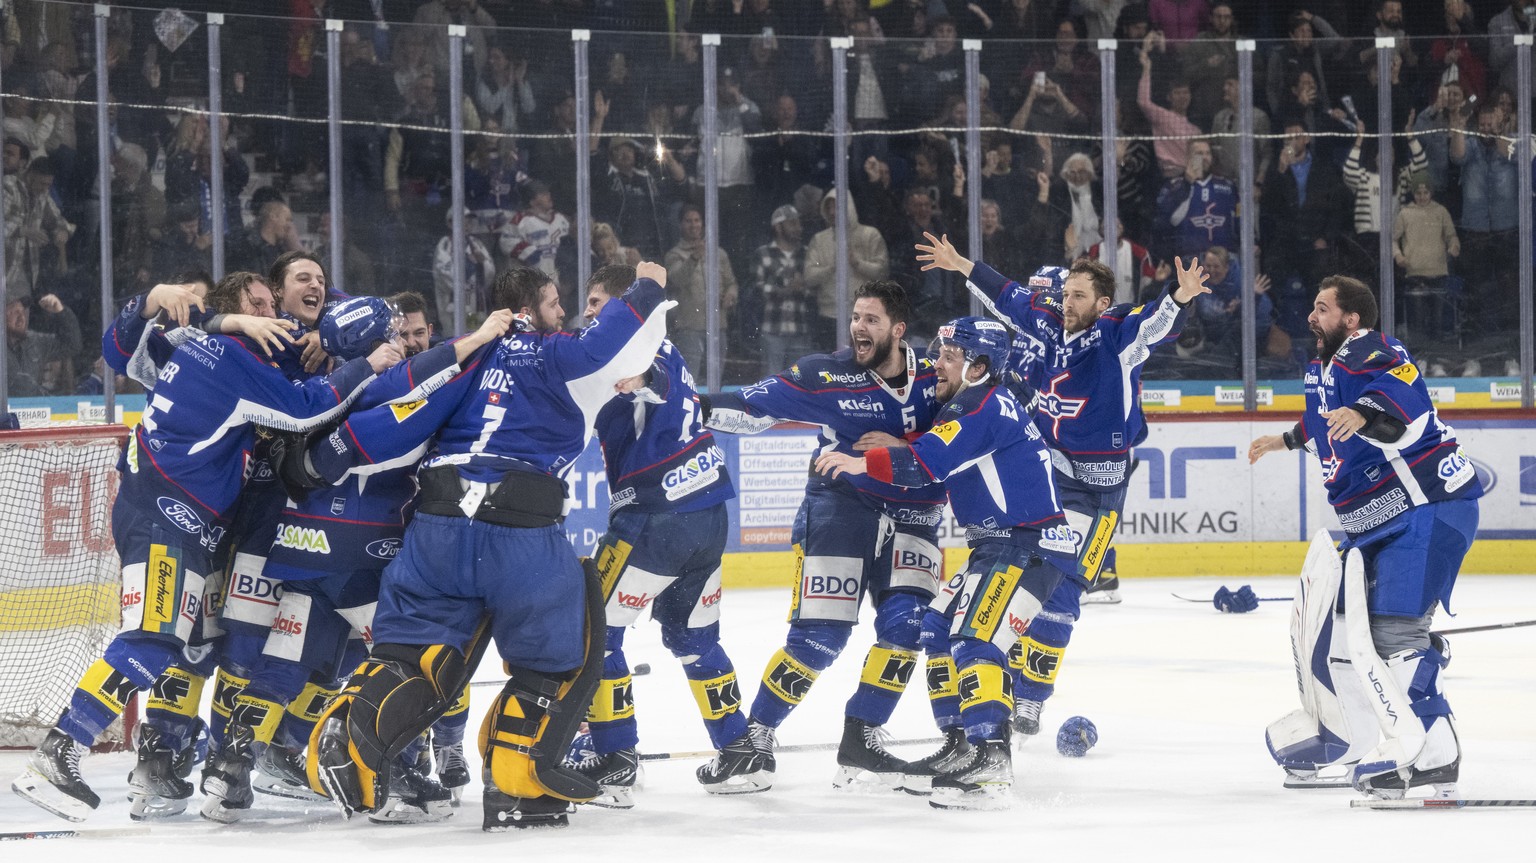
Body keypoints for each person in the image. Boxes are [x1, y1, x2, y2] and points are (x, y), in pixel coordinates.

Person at [11, 272, 402, 824]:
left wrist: (158, 305)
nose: (280, 319)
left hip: (175, 515)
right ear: (235, 313)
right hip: (170, 516)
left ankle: (142, 759)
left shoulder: (200, 345)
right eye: (261, 307)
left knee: (174, 644)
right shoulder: (234, 358)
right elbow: (304, 410)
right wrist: (369, 365)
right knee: (153, 641)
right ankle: (63, 750)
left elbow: (130, 344)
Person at [302, 265, 675, 831]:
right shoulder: (557, 352)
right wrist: (647, 287)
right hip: (520, 529)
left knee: (409, 657)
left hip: (437, 525)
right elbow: (618, 342)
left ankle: (348, 732)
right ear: (531, 310)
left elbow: (386, 413)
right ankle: (518, 784)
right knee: (559, 657)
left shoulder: (462, 355)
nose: (563, 313)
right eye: (555, 303)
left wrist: (320, 454)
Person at [915, 236, 1209, 740]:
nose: (1066, 303)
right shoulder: (1048, 325)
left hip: (1100, 493)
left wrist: (1178, 299)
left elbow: (1154, 325)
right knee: (1020, 578)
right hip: (1052, 476)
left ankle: (1029, 698)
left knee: (1063, 595)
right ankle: (995, 676)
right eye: (1066, 294)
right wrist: (961, 264)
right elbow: (1005, 296)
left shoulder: (1117, 336)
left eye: (1078, 296)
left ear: (1102, 303)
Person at [813, 316, 1073, 810]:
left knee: (978, 638)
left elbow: (926, 465)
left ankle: (990, 758)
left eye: (951, 356)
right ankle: (962, 743)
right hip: (999, 546)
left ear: (979, 366)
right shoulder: (974, 403)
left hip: (1027, 545)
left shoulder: (981, 405)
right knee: (936, 627)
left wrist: (858, 462)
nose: (938, 364)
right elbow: (933, 460)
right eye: (941, 352)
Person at [702, 280, 944, 790]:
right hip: (840, 508)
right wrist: (687, 407)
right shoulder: (824, 373)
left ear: (898, 331)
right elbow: (750, 409)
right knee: (820, 636)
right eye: (856, 316)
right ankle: (755, 738)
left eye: (872, 319)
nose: (859, 326)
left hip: (916, 514)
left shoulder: (938, 374)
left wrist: (906, 444)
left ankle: (862, 741)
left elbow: (979, 419)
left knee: (908, 627)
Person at [1249, 275, 1480, 799]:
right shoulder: (1324, 367)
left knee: (1396, 634)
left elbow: (1398, 390)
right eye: (1313, 304)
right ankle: (1366, 730)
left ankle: (1436, 757)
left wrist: (1365, 413)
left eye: (1323, 308)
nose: (1312, 315)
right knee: (1368, 634)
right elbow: (1322, 423)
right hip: (1383, 519)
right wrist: (1284, 440)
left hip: (1423, 506)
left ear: (1351, 320)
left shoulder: (1370, 348)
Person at [570, 264, 750, 805]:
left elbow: (653, 381)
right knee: (697, 640)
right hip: (710, 513)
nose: (589, 313)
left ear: (628, 306)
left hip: (655, 518)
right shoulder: (664, 345)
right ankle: (739, 749)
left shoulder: (632, 351)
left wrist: (641, 380)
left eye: (599, 302)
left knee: (593, 629)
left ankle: (615, 755)